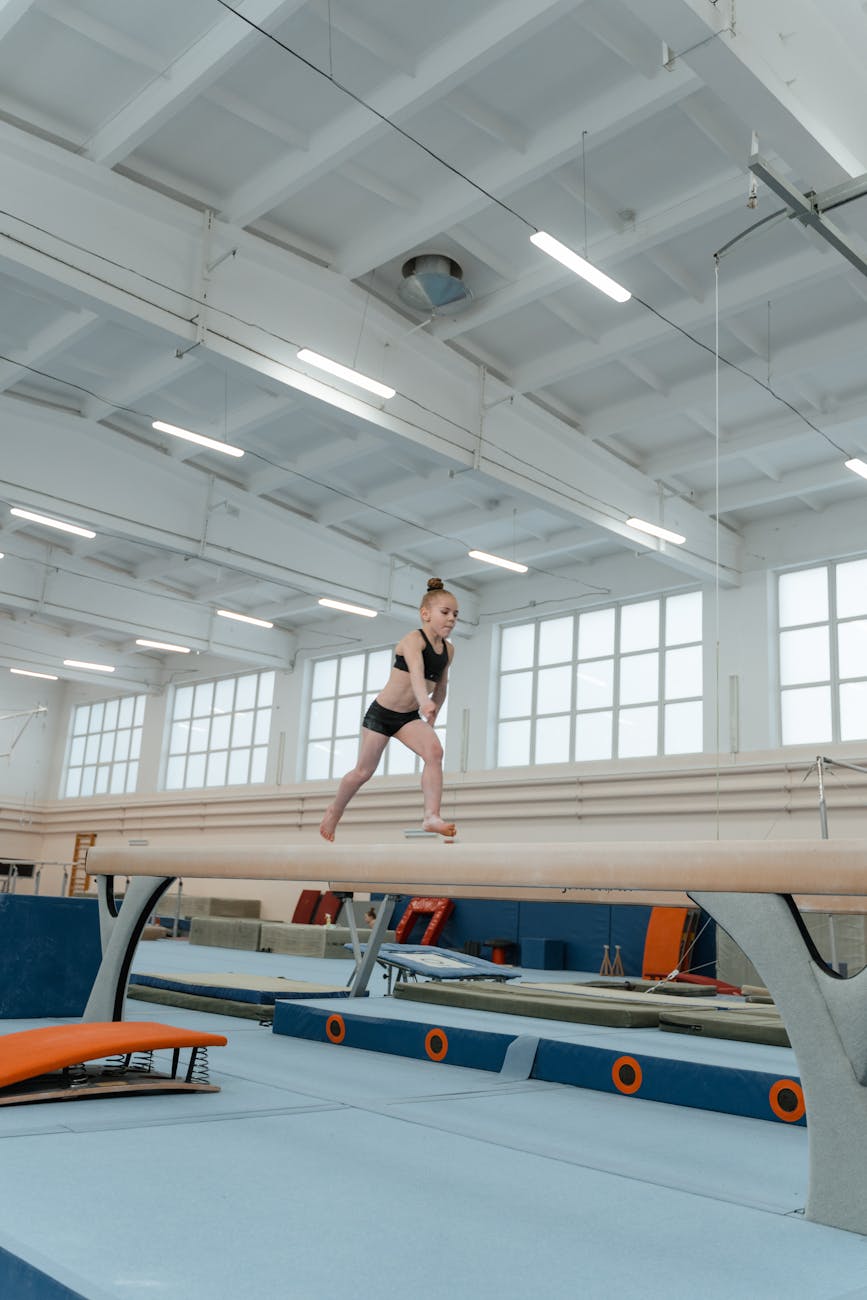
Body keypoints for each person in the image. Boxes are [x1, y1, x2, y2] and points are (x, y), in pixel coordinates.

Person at [320, 578, 458, 841]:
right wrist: (424, 700)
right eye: (445, 612)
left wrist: (434, 709)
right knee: (363, 772)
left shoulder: (448, 651)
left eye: (455, 614)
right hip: (382, 714)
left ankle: (431, 816)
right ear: (425, 614)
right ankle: (335, 810)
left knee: (435, 752)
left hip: (407, 718)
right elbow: (417, 676)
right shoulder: (412, 640)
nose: (451, 619)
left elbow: (441, 686)